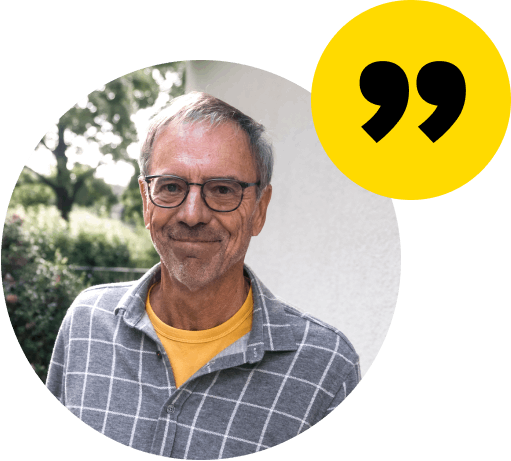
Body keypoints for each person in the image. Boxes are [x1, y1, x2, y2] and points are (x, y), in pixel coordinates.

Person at [46, 91, 360, 458]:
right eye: (171, 187)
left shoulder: (325, 368)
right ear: (146, 200)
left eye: (223, 189)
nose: (192, 214)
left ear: (259, 209)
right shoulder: (87, 323)